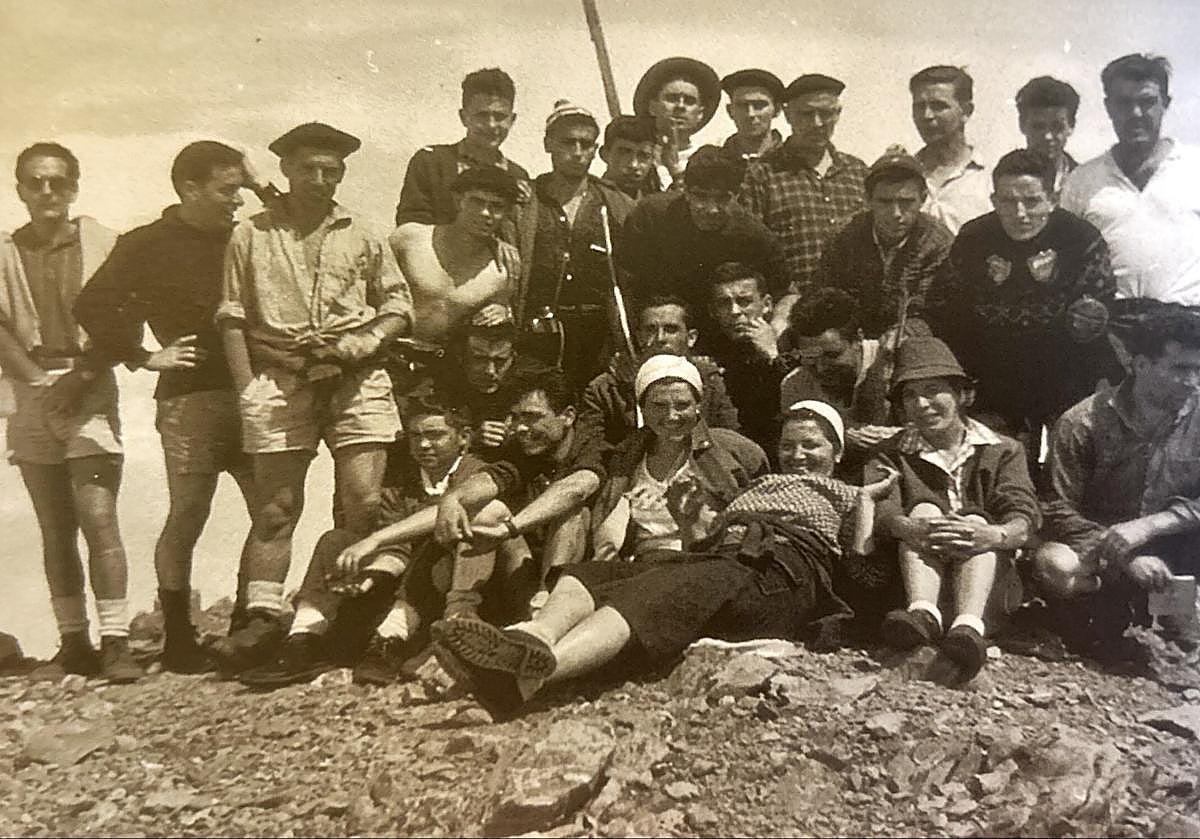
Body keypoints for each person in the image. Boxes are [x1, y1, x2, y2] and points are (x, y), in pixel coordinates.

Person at [428, 393, 897, 716]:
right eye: (789, 445)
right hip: (728, 564)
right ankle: (533, 637)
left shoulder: (849, 494)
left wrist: (868, 508)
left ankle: (533, 678)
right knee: (594, 573)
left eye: (811, 445)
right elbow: (704, 549)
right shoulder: (760, 485)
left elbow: (859, 577)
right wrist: (692, 520)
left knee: (661, 588)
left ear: (836, 453)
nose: (797, 455)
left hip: (784, 575)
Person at [211, 122, 414, 672]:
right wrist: (246, 385)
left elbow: (398, 305)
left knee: (364, 504)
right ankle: (261, 620)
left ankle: (341, 621)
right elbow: (232, 316)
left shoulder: (363, 233)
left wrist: (365, 339)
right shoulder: (251, 234)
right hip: (281, 379)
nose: (320, 180)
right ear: (286, 170)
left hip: (357, 380)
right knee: (277, 510)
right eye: (309, 169)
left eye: (332, 171)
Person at [72, 141, 259, 672]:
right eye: (228, 190)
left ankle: (248, 629)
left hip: (253, 392)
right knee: (190, 512)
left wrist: (256, 178)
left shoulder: (245, 235)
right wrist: (143, 356)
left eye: (241, 189)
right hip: (189, 399)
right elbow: (91, 304)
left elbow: (287, 213)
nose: (238, 201)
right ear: (189, 188)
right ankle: (179, 637)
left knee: (268, 507)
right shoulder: (146, 243)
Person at [0, 142, 140, 683]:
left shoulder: (105, 244)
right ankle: (74, 641)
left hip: (89, 384)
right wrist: (35, 381)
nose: (48, 192)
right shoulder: (7, 251)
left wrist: (79, 379)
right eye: (36, 182)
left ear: (74, 187)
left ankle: (117, 639)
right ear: (21, 191)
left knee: (98, 516)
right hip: (29, 386)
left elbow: (123, 319)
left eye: (58, 182)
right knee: (53, 526)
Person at [239, 397, 488, 688]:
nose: (423, 445)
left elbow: (441, 524)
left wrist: (377, 563)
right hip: (396, 577)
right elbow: (396, 543)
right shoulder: (401, 479)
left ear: (464, 438)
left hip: (441, 591)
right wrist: (371, 576)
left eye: (435, 435)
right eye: (416, 436)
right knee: (335, 540)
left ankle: (389, 643)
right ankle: (303, 639)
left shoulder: (474, 472)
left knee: (439, 545)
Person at [930, 149, 1122, 464]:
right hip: (995, 380)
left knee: (1075, 464)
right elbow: (947, 311)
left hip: (1067, 376)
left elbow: (1094, 317)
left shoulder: (1080, 238)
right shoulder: (973, 238)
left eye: (1032, 201)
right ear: (993, 201)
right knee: (998, 467)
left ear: (1052, 198)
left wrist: (1053, 284)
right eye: (1008, 201)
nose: (1020, 213)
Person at [867, 337, 1040, 678]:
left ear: (963, 395)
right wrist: (909, 528)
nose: (922, 404)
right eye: (910, 395)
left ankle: (968, 629)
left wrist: (991, 534)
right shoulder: (890, 453)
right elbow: (882, 511)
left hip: (986, 584)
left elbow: (1024, 515)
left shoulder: (1003, 450)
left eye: (933, 390)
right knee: (923, 512)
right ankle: (922, 615)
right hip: (912, 576)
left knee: (975, 518)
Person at [1034, 306, 1200, 653]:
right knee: (1055, 564)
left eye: (1199, 369)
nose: (1193, 381)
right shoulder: (1083, 422)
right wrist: (1125, 556)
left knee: (1179, 629)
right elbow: (1056, 509)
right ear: (1140, 365)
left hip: (1178, 552)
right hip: (1102, 553)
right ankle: (1115, 617)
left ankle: (1174, 618)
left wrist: (1153, 525)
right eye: (1181, 369)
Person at [426, 367, 611, 622]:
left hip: (573, 580)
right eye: (515, 417)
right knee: (486, 511)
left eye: (533, 417)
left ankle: (542, 616)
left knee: (572, 515)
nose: (521, 428)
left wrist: (511, 528)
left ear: (567, 416)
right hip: (522, 571)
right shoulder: (527, 448)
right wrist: (452, 499)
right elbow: (490, 480)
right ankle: (460, 615)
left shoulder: (591, 445)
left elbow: (578, 487)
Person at [1060, 53, 1200, 305]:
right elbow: (1065, 261)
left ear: (1165, 103)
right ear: (1108, 107)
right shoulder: (1082, 180)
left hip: (1189, 331)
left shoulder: (1194, 168)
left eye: (1147, 101)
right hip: (1112, 331)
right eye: (1124, 103)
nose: (1135, 113)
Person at [514, 100, 634, 393]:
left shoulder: (615, 204)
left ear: (595, 150)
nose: (578, 152)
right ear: (548, 144)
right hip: (537, 335)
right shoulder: (524, 202)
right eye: (569, 142)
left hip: (599, 336)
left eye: (586, 144)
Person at [619, 145, 789, 336]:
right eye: (701, 196)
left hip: (725, 334)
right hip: (663, 332)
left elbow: (787, 293)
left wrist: (777, 326)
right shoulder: (650, 216)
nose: (711, 209)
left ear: (737, 195)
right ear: (686, 190)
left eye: (722, 198)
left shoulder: (754, 235)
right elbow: (623, 284)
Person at [740, 73, 868, 299]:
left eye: (826, 113)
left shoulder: (859, 172)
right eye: (806, 114)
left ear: (838, 114)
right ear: (788, 115)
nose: (817, 123)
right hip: (792, 311)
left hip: (853, 308)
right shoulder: (762, 174)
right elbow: (750, 252)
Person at [815, 150, 954, 338]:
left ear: (923, 199)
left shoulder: (940, 244)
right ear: (868, 200)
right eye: (885, 202)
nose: (896, 213)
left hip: (916, 341)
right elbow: (826, 296)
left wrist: (902, 334)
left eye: (906, 202)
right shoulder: (843, 237)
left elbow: (934, 311)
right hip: (853, 338)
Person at [579, 296, 740, 446]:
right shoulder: (605, 390)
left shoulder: (711, 381)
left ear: (691, 338)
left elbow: (730, 438)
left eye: (671, 329)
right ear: (639, 336)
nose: (660, 338)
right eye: (650, 329)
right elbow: (592, 448)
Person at [390, 165, 518, 344]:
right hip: (384, 353)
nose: (485, 213)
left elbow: (501, 312)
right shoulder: (409, 238)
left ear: (507, 212)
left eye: (496, 206)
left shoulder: (500, 270)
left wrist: (502, 310)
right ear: (459, 200)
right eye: (476, 201)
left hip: (439, 362)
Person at [394, 67, 530, 227]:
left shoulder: (517, 175)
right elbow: (411, 224)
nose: (491, 125)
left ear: (512, 120)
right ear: (464, 117)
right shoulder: (431, 162)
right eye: (482, 115)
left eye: (500, 117)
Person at [779, 288, 900, 455]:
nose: (820, 368)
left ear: (857, 338)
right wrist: (842, 435)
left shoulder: (894, 362)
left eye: (832, 355)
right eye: (811, 359)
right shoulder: (796, 385)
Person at [704, 262, 789, 455]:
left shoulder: (790, 347)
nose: (734, 311)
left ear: (766, 304)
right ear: (712, 311)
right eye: (724, 303)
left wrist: (773, 356)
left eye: (744, 301)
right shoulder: (711, 355)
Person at [910, 65, 991, 235]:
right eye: (919, 107)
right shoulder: (904, 175)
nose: (927, 116)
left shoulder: (989, 179)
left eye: (938, 106)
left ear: (966, 112)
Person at [632, 56, 722, 190]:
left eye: (689, 101)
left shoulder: (714, 162)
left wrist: (674, 169)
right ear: (653, 107)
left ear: (700, 114)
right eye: (672, 99)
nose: (680, 106)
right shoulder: (635, 158)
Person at [1016, 76, 1082, 196]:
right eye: (1038, 127)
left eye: (1057, 127)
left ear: (1071, 126)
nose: (1048, 136)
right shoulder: (1004, 179)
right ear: (1022, 125)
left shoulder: (1085, 180)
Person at [720, 68, 785, 162]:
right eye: (742, 105)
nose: (750, 114)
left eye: (759, 105)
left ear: (777, 110)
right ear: (730, 111)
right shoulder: (712, 164)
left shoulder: (794, 165)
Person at [598, 115, 661, 201]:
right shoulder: (589, 200)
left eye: (643, 156)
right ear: (604, 154)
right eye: (624, 153)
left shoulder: (656, 203)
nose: (633, 165)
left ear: (653, 159)